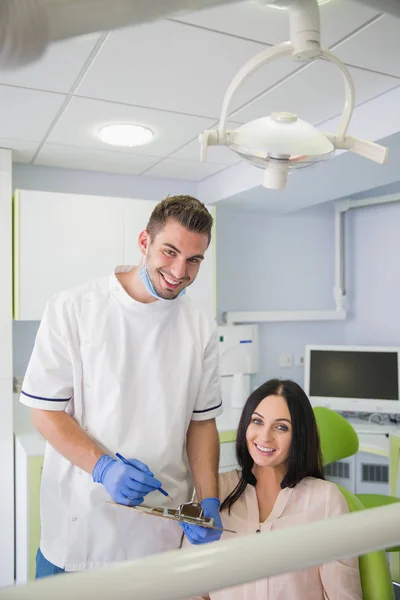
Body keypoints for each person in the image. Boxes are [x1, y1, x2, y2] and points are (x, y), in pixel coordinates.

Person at [20, 195, 223, 578]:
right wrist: (103, 469)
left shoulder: (200, 326)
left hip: (158, 537)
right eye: (170, 251)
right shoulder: (73, 308)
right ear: (144, 242)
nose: (180, 271)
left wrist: (208, 498)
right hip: (79, 537)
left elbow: (201, 423)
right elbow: (44, 413)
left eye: (194, 259)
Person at [183, 379, 362, 599]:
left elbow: (343, 596)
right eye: (257, 421)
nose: (265, 436)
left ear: (299, 435)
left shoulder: (325, 500)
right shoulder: (214, 492)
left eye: (281, 427)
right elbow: (191, 591)